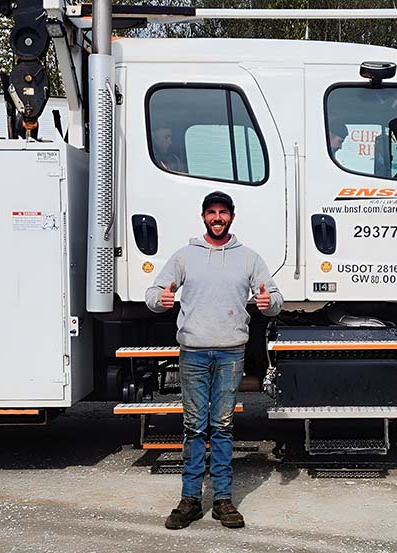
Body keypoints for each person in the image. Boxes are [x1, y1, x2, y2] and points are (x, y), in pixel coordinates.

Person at [145, 190, 283, 530]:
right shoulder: (185, 256)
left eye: (223, 212)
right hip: (193, 352)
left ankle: (223, 500)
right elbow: (152, 296)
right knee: (194, 427)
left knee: (222, 426)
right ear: (203, 217)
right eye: (212, 212)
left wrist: (270, 304)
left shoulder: (248, 258)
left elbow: (275, 297)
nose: (217, 218)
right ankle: (190, 500)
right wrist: (161, 300)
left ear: (232, 217)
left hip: (231, 353)